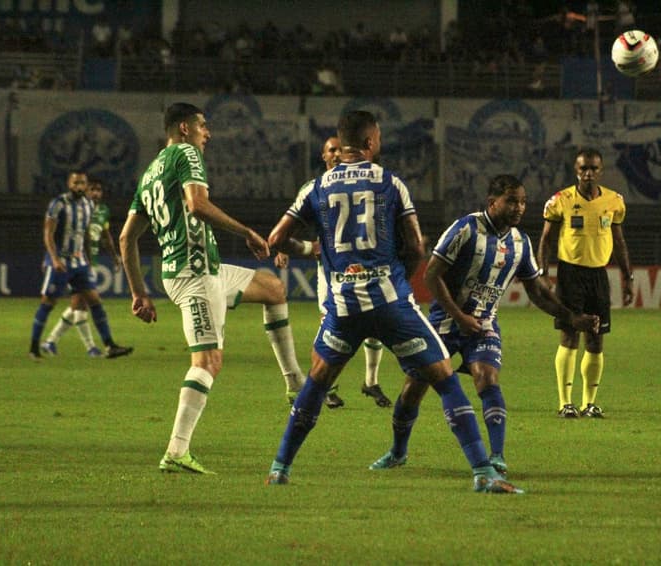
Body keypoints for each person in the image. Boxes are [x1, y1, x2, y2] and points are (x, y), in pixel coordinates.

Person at [265, 110, 522, 493]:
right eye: (379, 138)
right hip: (390, 303)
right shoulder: (390, 183)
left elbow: (275, 239)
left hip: (343, 307)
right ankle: (483, 473)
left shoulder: (316, 187)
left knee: (317, 383)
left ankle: (280, 468)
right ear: (370, 142)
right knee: (445, 380)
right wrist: (395, 274)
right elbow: (417, 247)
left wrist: (317, 249)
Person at [119, 102, 307, 474]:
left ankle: (294, 383)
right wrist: (247, 232)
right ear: (185, 129)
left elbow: (126, 238)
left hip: (203, 269)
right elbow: (198, 205)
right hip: (195, 274)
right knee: (207, 362)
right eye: (203, 126)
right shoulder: (185, 153)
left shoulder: (150, 172)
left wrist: (139, 292)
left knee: (272, 288)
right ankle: (176, 451)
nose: (209, 134)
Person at [369, 175, 599, 475]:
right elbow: (431, 276)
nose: (519, 207)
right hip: (443, 322)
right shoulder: (465, 229)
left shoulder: (520, 242)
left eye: (523, 201)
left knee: (487, 378)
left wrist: (572, 318)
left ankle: (497, 455)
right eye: (512, 201)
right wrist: (460, 316)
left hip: (483, 325)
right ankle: (398, 452)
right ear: (492, 203)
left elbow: (538, 292)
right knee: (414, 388)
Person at [275, 136, 392, 409]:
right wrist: (287, 248)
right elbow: (291, 224)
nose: (337, 153)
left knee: (374, 323)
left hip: (367, 266)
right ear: (323, 155)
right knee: (332, 324)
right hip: (332, 270)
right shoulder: (314, 188)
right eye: (332, 150)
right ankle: (328, 386)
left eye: (341, 148)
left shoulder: (365, 183)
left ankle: (371, 382)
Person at [537, 148, 634, 419]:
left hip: (599, 276)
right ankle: (564, 402)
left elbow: (620, 241)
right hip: (570, 274)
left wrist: (628, 276)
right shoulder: (561, 200)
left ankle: (589, 404)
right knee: (569, 335)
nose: (588, 173)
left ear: (600, 170)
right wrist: (543, 272)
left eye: (593, 168)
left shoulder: (614, 201)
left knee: (596, 338)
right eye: (583, 169)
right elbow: (545, 239)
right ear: (576, 170)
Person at [29, 171, 132, 360]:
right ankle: (34, 347)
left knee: (95, 301)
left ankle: (109, 345)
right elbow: (48, 234)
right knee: (48, 303)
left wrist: (86, 256)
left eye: (82, 183)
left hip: (80, 263)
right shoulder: (58, 204)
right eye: (76, 182)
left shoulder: (87, 205)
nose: (79, 186)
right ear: (69, 183)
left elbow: (85, 233)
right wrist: (54, 259)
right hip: (60, 262)